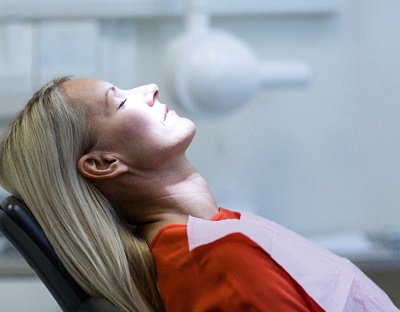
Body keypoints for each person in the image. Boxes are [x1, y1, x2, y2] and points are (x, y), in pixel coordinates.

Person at [0, 77, 398, 312]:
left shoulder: (211, 239)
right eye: (120, 101)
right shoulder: (213, 262)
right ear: (104, 163)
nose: (151, 88)